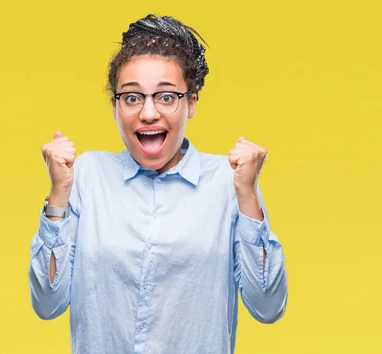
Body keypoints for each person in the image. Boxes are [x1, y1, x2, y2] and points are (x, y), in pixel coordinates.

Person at [28, 14, 288, 354]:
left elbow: (268, 307)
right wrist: (58, 195)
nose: (148, 113)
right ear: (115, 106)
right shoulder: (86, 176)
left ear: (191, 102)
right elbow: (47, 303)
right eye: (132, 98)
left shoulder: (230, 181)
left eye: (166, 97)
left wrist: (248, 195)